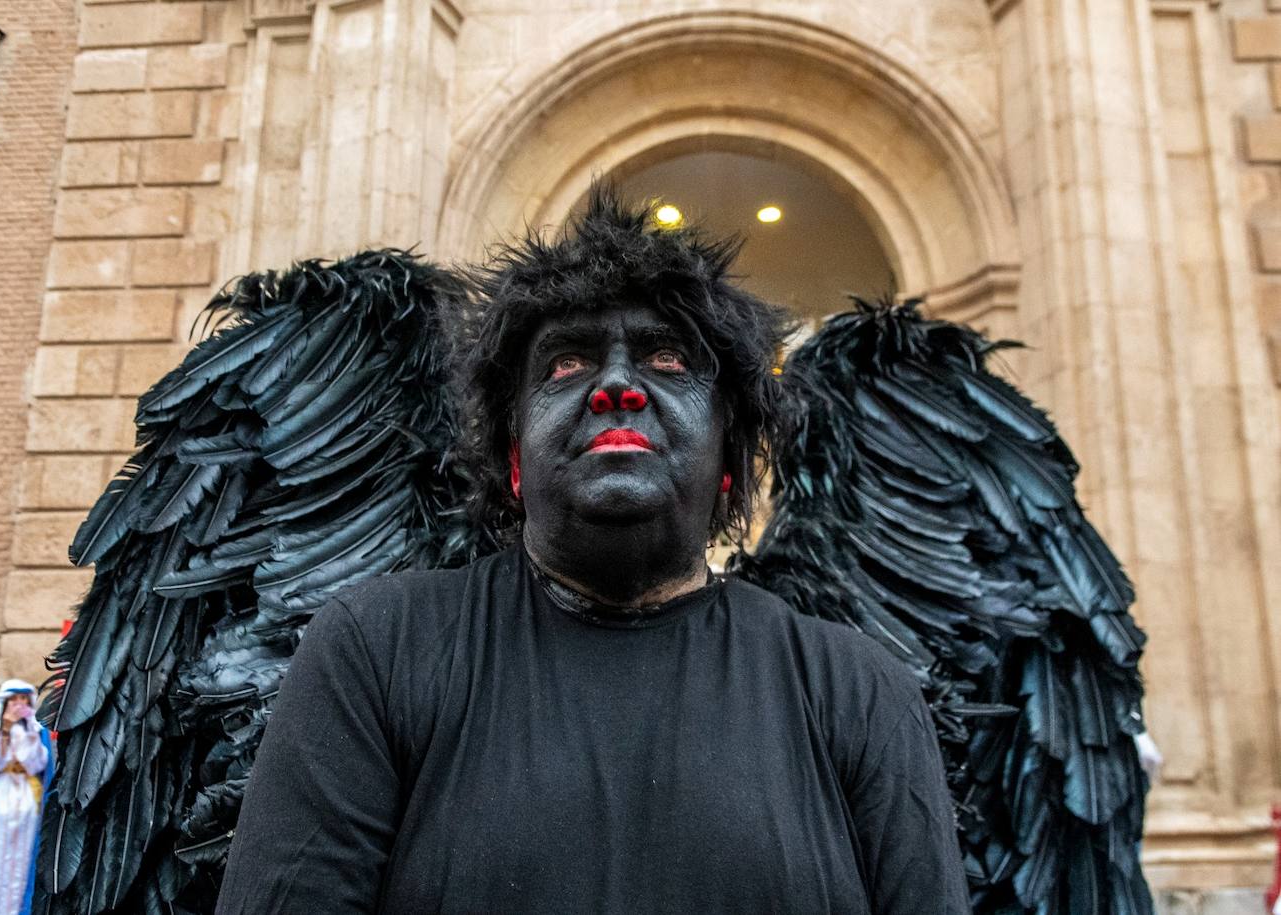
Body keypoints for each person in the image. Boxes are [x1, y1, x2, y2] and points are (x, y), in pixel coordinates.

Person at [217, 189, 970, 913]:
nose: (616, 384)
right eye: (567, 363)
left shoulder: (860, 690)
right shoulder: (374, 650)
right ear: (514, 458)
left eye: (667, 360)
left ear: (729, 458)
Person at [0, 681, 51, 915]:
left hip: (27, 799)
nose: (19, 705)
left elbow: (39, 764)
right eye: (14, 700)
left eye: (24, 700)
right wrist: (5, 729)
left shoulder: (36, 730)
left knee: (22, 858)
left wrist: (33, 736)